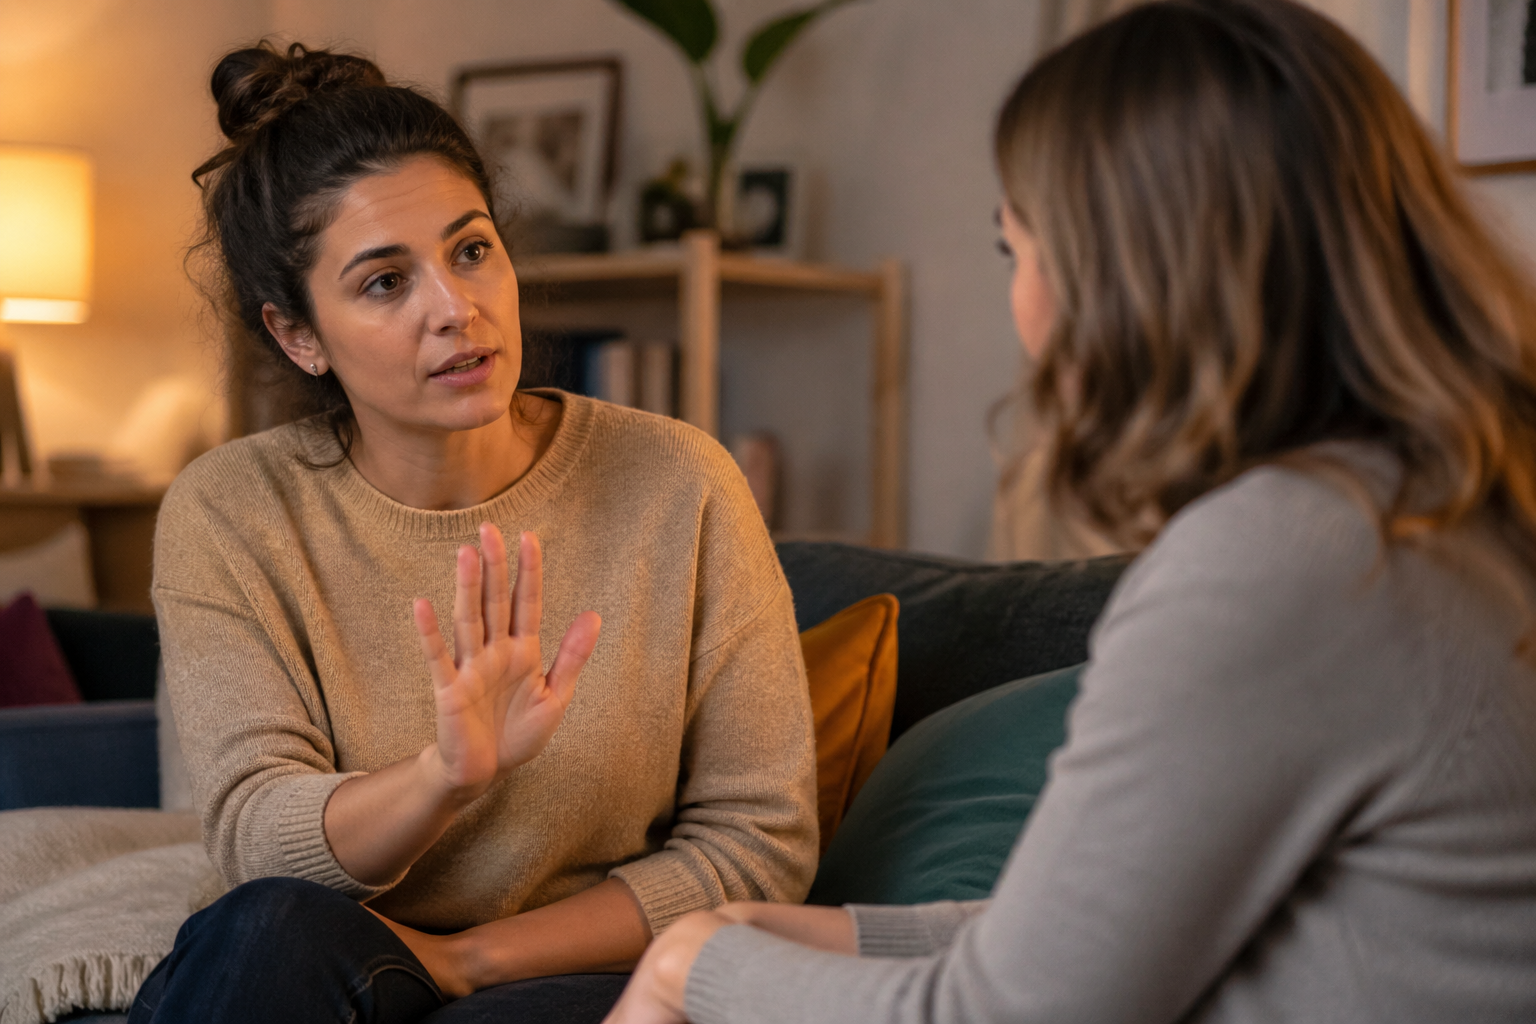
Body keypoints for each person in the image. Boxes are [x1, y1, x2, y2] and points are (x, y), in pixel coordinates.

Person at [605, 2, 1536, 1022]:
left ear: (1122, 271)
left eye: (1017, 250)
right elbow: (1094, 942)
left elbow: (1009, 1014)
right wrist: (805, 933)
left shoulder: (1281, 560)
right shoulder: (1436, 506)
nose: (1025, 308)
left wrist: (691, 967)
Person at [128, 41, 818, 1024]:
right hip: (322, 964)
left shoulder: (680, 481)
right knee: (267, 930)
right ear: (298, 335)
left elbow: (759, 845)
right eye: (383, 282)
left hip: (590, 973)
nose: (456, 309)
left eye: (471, 249)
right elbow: (255, 840)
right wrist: (442, 778)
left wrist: (472, 957)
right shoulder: (231, 508)